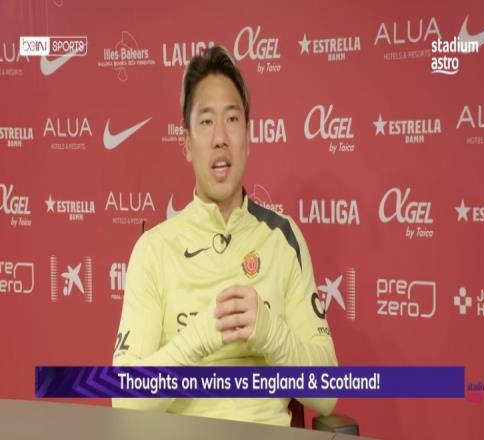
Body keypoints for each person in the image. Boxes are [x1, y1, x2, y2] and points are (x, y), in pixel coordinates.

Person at [112, 45, 338, 426]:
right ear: (186, 144)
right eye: (206, 122)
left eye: (232, 119)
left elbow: (328, 394)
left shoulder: (282, 238)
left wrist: (269, 332)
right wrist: (199, 337)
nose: (220, 137)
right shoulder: (153, 249)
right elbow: (124, 401)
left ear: (247, 137)